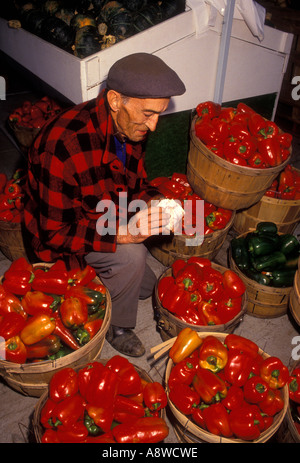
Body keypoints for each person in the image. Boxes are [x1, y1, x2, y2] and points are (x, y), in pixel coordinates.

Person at [22, 52, 186, 357]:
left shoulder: (126, 127)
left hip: (100, 215)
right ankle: (118, 326)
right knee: (132, 256)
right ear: (114, 100)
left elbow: (135, 185)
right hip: (59, 244)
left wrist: (157, 202)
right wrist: (122, 235)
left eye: (159, 115)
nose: (153, 126)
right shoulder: (61, 147)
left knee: (146, 288)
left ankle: (105, 282)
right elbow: (55, 234)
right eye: (148, 114)